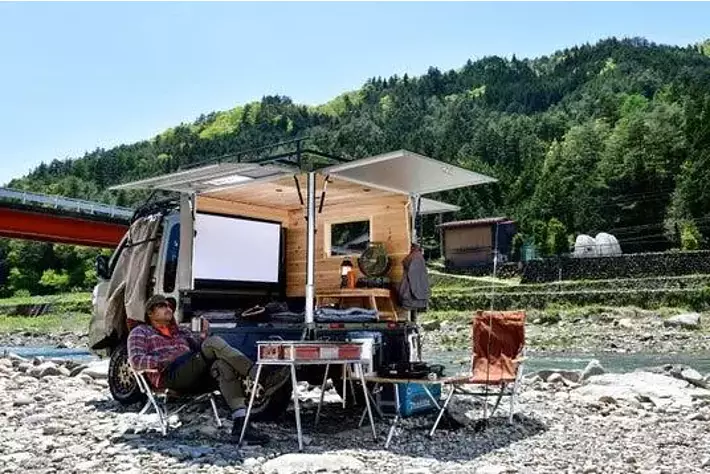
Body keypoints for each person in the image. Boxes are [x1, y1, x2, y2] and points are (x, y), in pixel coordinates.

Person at [127, 294, 289, 444]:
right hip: (169, 375)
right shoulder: (141, 332)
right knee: (214, 343)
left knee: (222, 366)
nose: (168, 309)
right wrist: (164, 360)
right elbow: (136, 361)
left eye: (170, 306)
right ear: (150, 313)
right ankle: (260, 377)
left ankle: (241, 425)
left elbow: (200, 349)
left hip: (191, 372)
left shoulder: (181, 331)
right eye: (162, 306)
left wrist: (204, 334)